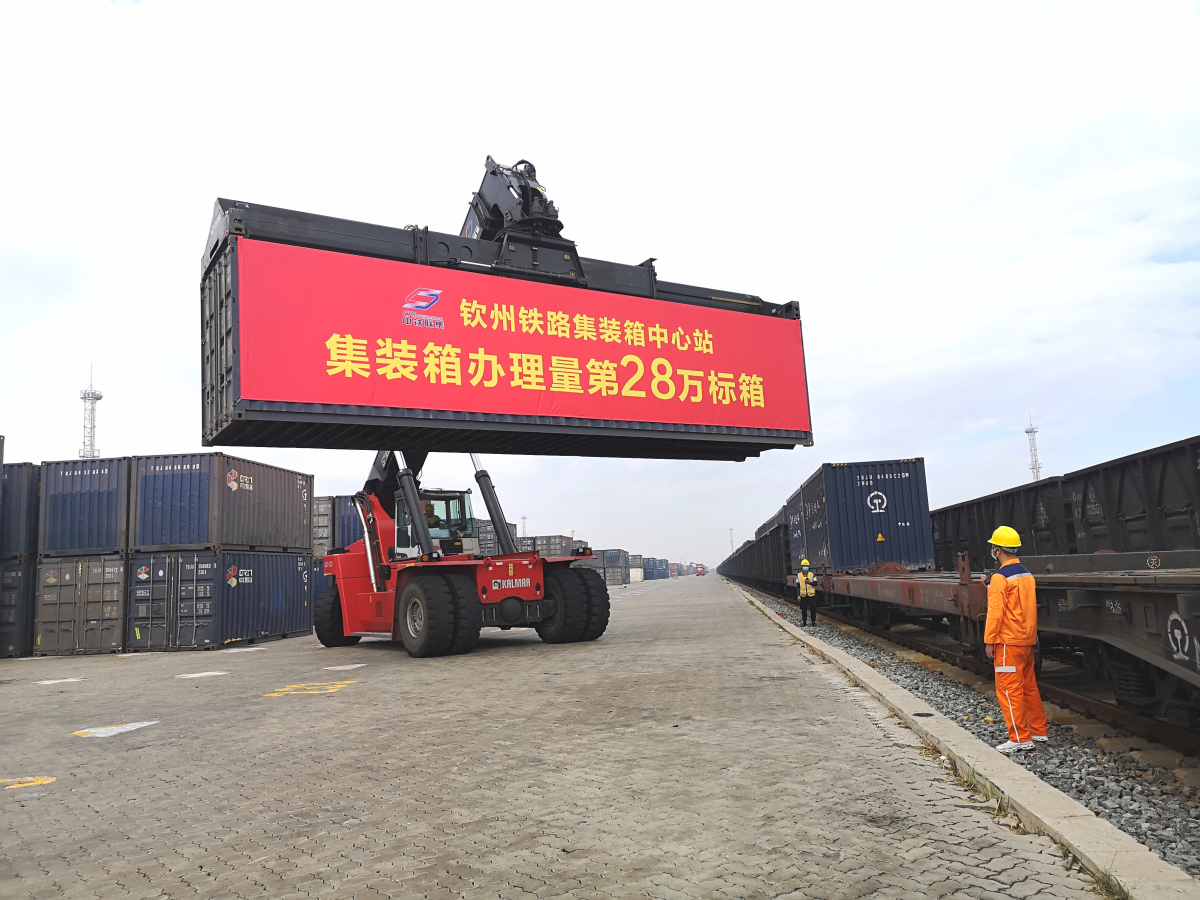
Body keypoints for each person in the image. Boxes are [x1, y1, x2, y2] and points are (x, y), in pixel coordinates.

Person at [982, 526, 1048, 754]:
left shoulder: (1000, 578)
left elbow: (996, 612)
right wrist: (989, 585)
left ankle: (1020, 738)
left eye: (993, 547)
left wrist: (989, 640)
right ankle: (1039, 731)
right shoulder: (1026, 574)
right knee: (1029, 687)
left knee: (1009, 689)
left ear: (998, 550)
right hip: (1026, 640)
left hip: (1007, 642)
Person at [797, 559, 818, 626]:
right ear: (802, 567)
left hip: (811, 595)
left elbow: (816, 583)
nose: (805, 568)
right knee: (803, 609)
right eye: (804, 566)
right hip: (803, 596)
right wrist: (798, 595)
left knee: (813, 609)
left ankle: (813, 622)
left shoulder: (812, 575)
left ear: (808, 567)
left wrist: (810, 583)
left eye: (806, 566)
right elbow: (797, 586)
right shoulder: (799, 575)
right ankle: (804, 622)